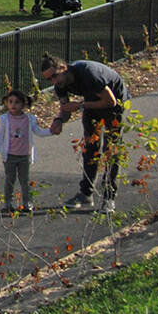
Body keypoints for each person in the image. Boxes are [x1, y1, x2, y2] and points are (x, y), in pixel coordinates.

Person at [40, 53, 130, 212]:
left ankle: (109, 197)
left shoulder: (89, 74)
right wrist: (59, 121)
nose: (54, 82)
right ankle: (85, 194)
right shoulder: (60, 86)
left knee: (111, 149)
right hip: (91, 102)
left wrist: (80, 105)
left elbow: (110, 101)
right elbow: (66, 108)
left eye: (55, 76)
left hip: (115, 102)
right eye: (49, 79)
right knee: (90, 147)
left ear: (64, 68)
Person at [0, 88, 55, 213]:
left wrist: (52, 131)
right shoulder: (5, 119)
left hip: (24, 155)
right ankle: (8, 203)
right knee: (10, 180)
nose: (13, 105)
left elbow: (39, 132)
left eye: (17, 102)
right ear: (6, 103)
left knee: (24, 180)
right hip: (9, 155)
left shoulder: (29, 119)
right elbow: (0, 135)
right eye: (10, 102)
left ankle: (27, 203)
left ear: (23, 104)